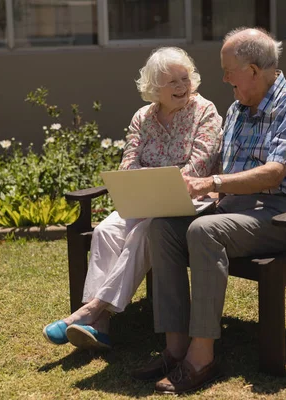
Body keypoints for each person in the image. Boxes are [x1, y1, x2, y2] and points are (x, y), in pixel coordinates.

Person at [131, 28, 286, 394]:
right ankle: (175, 349)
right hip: (233, 210)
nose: (223, 78)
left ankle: (202, 356)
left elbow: (274, 172)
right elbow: (220, 167)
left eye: (228, 70)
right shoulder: (237, 108)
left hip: (284, 216)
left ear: (253, 69)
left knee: (204, 232)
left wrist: (213, 184)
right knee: (163, 228)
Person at [43, 47, 223, 350]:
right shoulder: (143, 117)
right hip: (145, 199)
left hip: (191, 203)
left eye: (185, 78)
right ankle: (99, 326)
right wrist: (148, 188)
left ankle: (90, 311)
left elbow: (199, 166)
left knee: (143, 231)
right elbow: (128, 163)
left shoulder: (205, 112)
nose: (182, 87)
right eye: (173, 82)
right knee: (106, 230)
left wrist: (157, 184)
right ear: (155, 88)